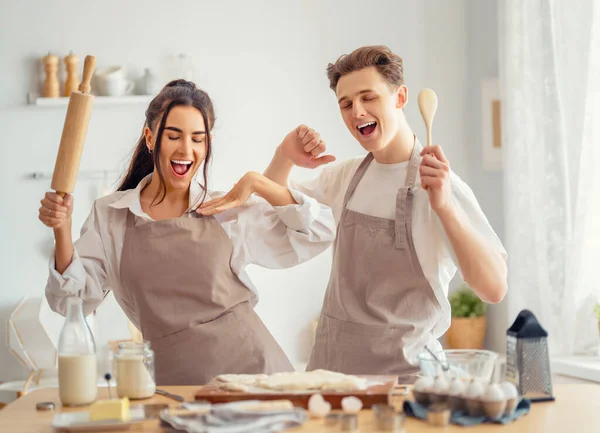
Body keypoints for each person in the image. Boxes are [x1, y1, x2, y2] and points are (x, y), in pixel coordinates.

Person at [39, 79, 336, 385]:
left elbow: (319, 231)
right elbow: (70, 301)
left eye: (198, 138)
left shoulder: (223, 209)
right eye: (174, 136)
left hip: (254, 376)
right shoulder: (112, 215)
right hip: (175, 386)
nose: (186, 149)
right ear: (150, 138)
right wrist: (61, 230)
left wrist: (259, 182)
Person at [262, 46, 508, 382]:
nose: (357, 112)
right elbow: (271, 214)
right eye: (346, 104)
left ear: (400, 97)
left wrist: (445, 207)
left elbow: (493, 288)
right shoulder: (343, 178)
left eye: (368, 97)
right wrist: (283, 157)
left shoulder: (443, 186)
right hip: (332, 379)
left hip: (406, 385)